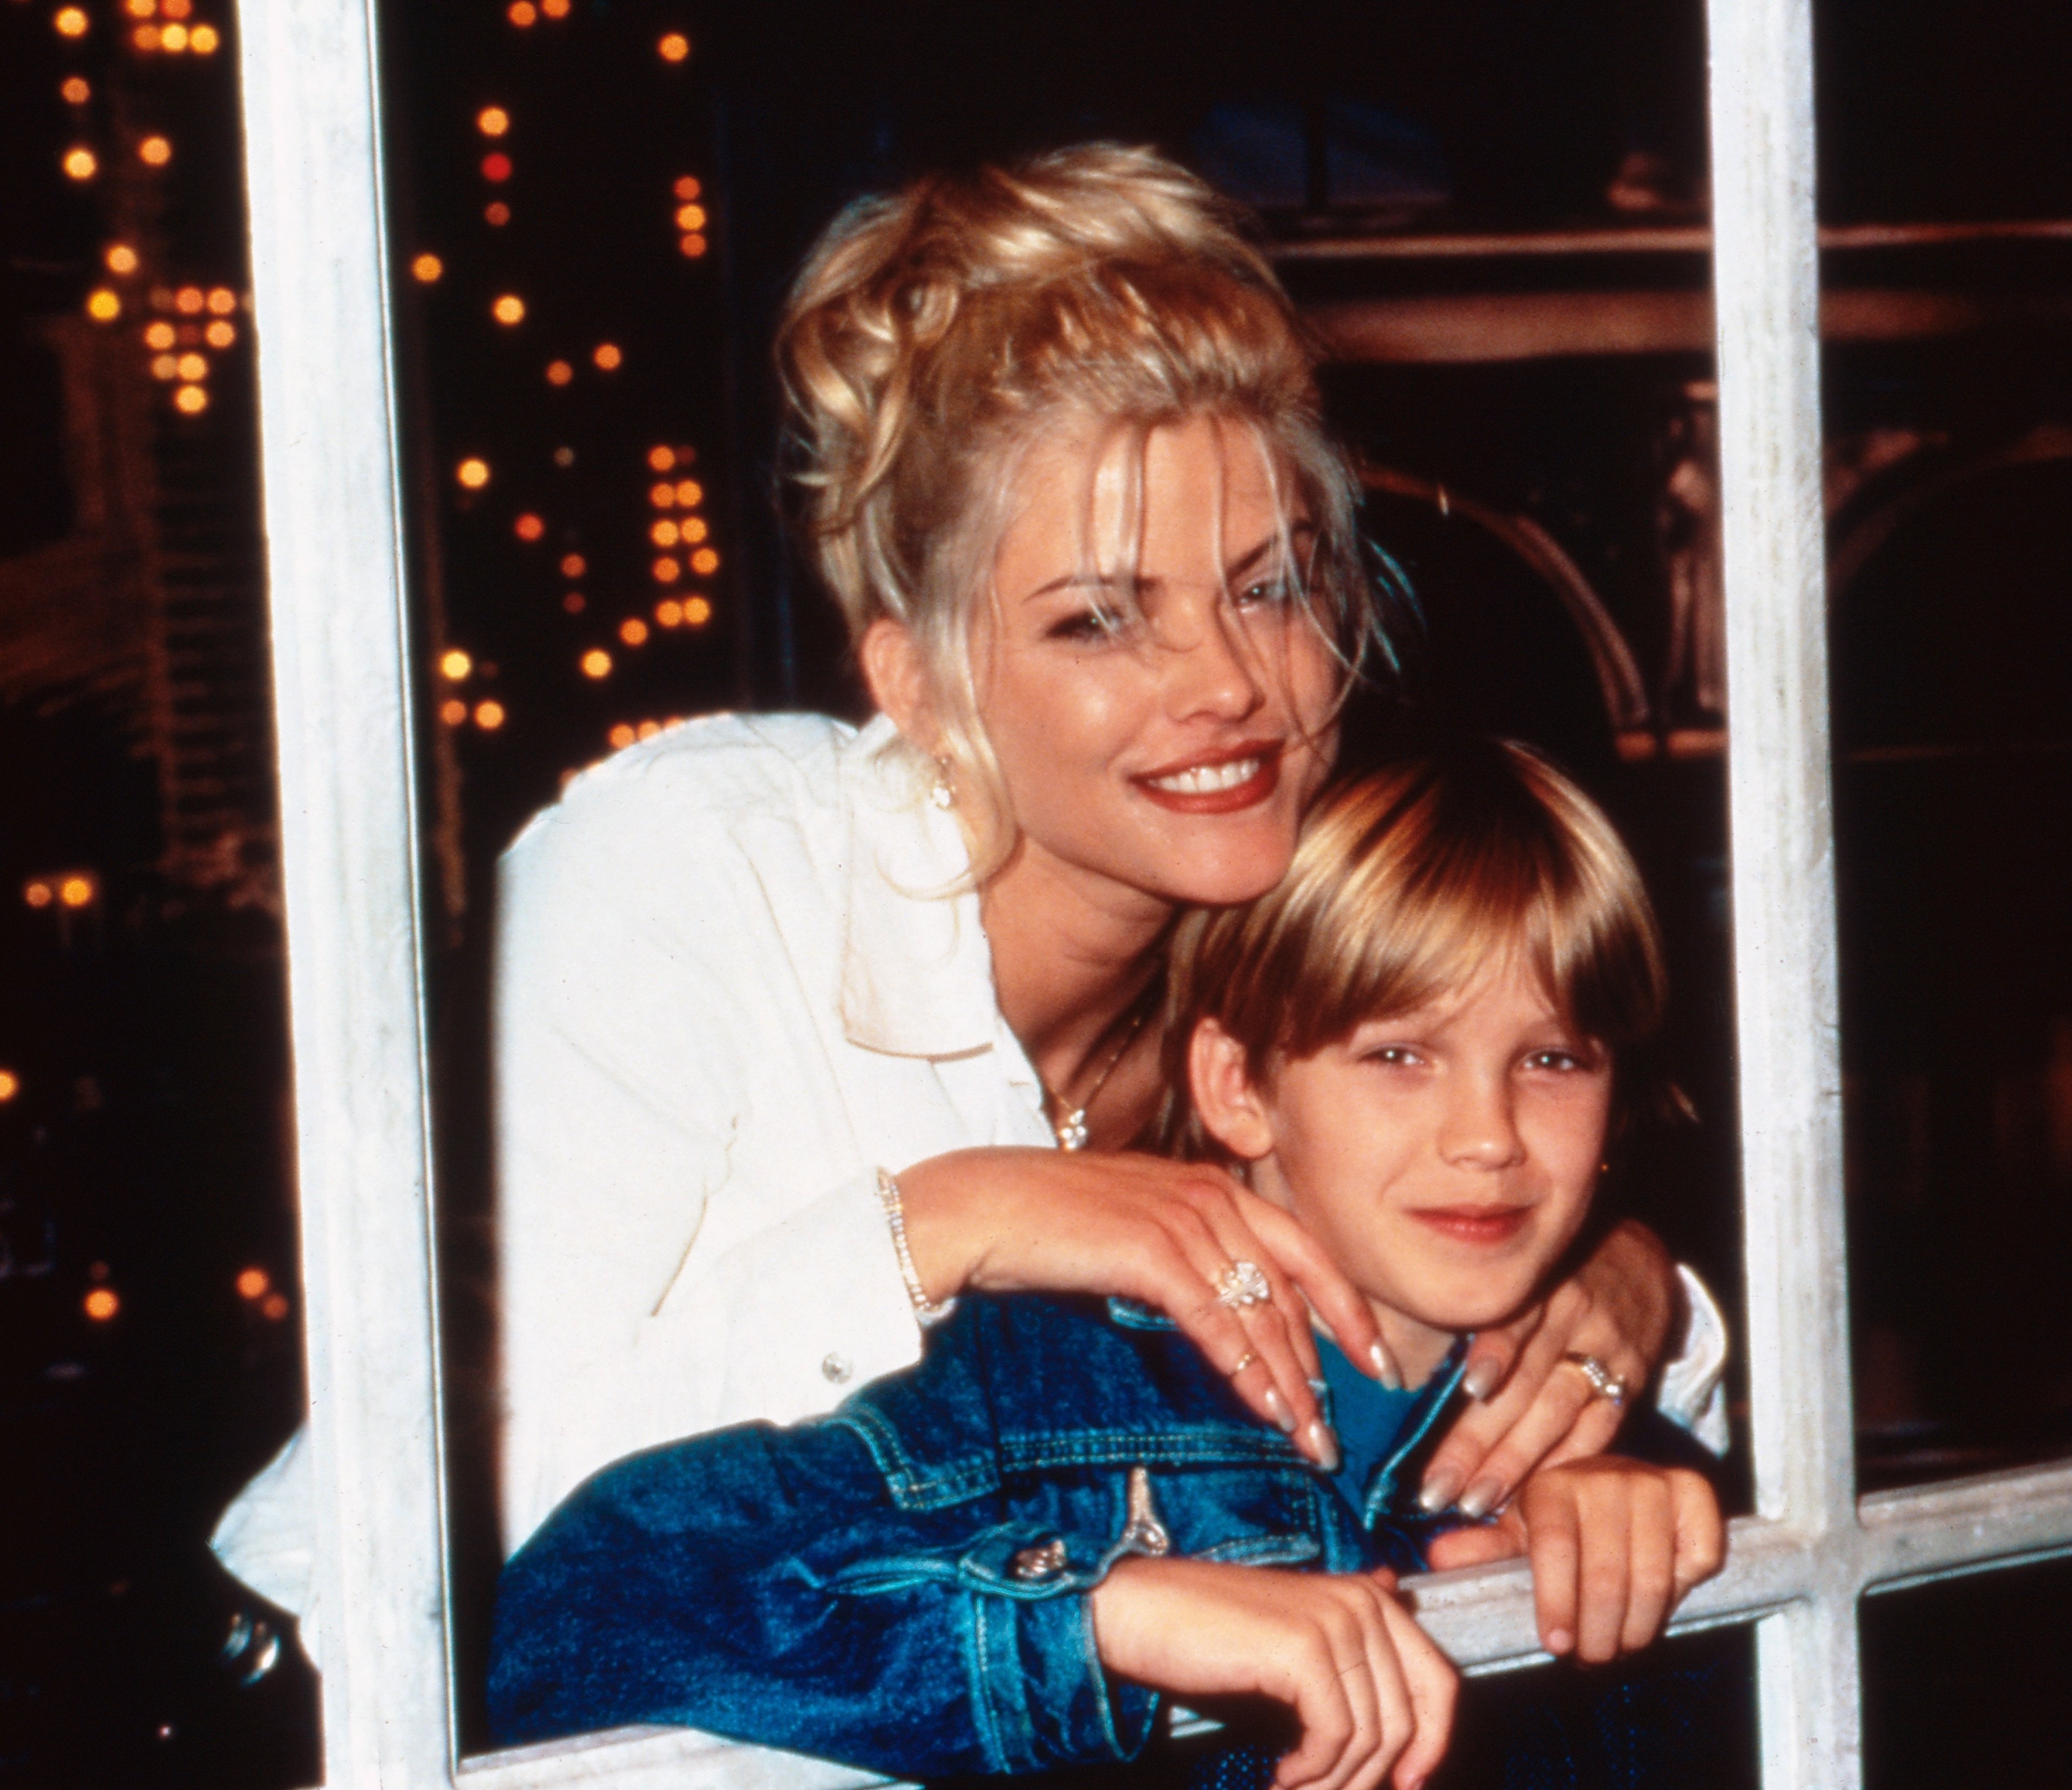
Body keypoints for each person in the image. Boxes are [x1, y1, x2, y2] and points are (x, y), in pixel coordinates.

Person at [214, 145, 1725, 1644]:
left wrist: (1630, 1287)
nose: (1229, 687)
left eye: (1268, 586)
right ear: (921, 679)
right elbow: (428, 1533)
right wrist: (943, 1223)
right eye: (1098, 619)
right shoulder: (687, 865)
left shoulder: (1301, 912)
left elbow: (1408, 1345)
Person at [489, 742, 1730, 1790]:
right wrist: (1099, 1610)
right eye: (1397, 1054)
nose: (1486, 1135)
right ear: (1235, 1085)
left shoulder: (1606, 1429)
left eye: (1553, 1059)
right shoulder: (1033, 1379)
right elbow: (575, 1609)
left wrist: (1648, 1534)